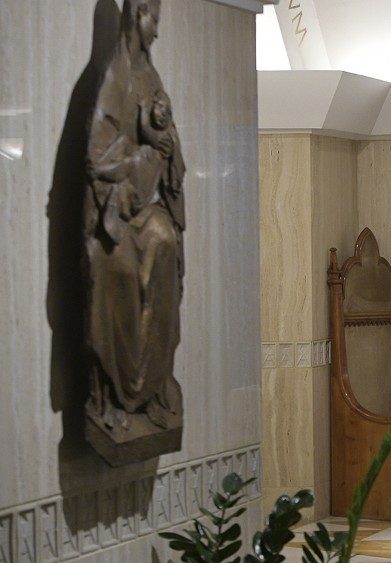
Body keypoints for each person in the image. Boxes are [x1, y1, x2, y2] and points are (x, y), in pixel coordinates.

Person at [84, 0, 184, 437]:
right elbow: (97, 159)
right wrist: (141, 157)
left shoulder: (151, 76)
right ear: (135, 15)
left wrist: (167, 145)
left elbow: (165, 136)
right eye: (153, 21)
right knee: (118, 269)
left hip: (144, 204)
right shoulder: (115, 78)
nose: (156, 31)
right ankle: (116, 393)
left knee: (165, 241)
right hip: (115, 208)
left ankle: (152, 387)